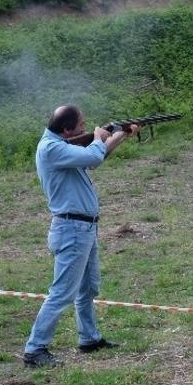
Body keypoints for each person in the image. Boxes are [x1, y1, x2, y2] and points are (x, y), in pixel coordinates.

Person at [22, 105, 138, 368]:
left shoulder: (61, 145)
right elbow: (93, 156)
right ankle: (35, 349)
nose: (85, 128)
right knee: (62, 293)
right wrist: (98, 137)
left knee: (88, 288)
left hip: (82, 228)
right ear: (66, 129)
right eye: (81, 125)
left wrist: (122, 134)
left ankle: (89, 338)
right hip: (72, 229)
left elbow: (96, 156)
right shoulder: (52, 148)